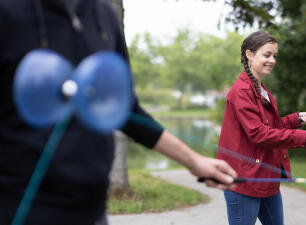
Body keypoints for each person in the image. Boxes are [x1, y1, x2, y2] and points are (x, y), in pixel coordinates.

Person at [0, 1, 236, 225]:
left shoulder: (103, 14)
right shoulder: (8, 11)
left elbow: (126, 110)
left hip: (92, 208)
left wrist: (194, 160)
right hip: (22, 208)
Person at [216, 31, 306, 225]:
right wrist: (302, 137)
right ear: (249, 54)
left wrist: (295, 119)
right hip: (243, 179)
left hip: (265, 176)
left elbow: (269, 127)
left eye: (274, 56)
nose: (272, 60)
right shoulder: (241, 91)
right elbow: (259, 134)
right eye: (267, 55)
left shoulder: (260, 88)